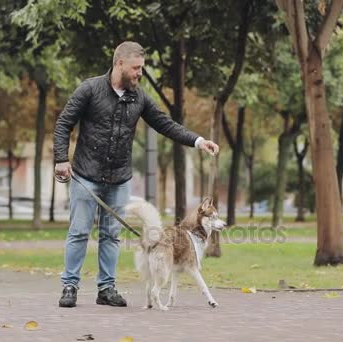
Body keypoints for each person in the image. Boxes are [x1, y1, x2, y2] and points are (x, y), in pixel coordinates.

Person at [53, 41, 219, 308]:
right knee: (79, 232)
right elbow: (64, 123)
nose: (140, 73)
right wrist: (61, 158)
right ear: (119, 63)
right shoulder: (90, 89)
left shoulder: (138, 97)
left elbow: (165, 124)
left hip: (119, 178)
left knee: (111, 235)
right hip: (85, 174)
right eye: (136, 68)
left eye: (141, 68)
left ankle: (106, 289)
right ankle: (70, 285)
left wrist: (198, 141)